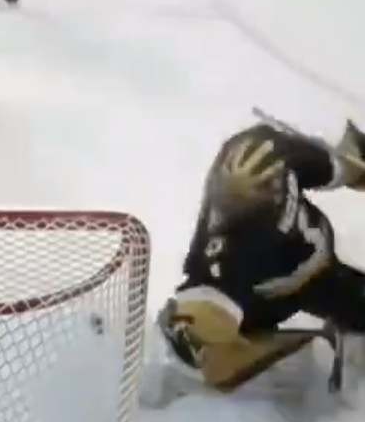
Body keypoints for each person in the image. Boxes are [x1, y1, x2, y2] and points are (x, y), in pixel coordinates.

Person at [155, 120, 365, 397]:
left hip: (316, 266)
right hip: (278, 293)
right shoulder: (223, 255)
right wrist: (199, 335)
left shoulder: (275, 153)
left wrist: (353, 168)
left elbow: (334, 168)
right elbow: (200, 302)